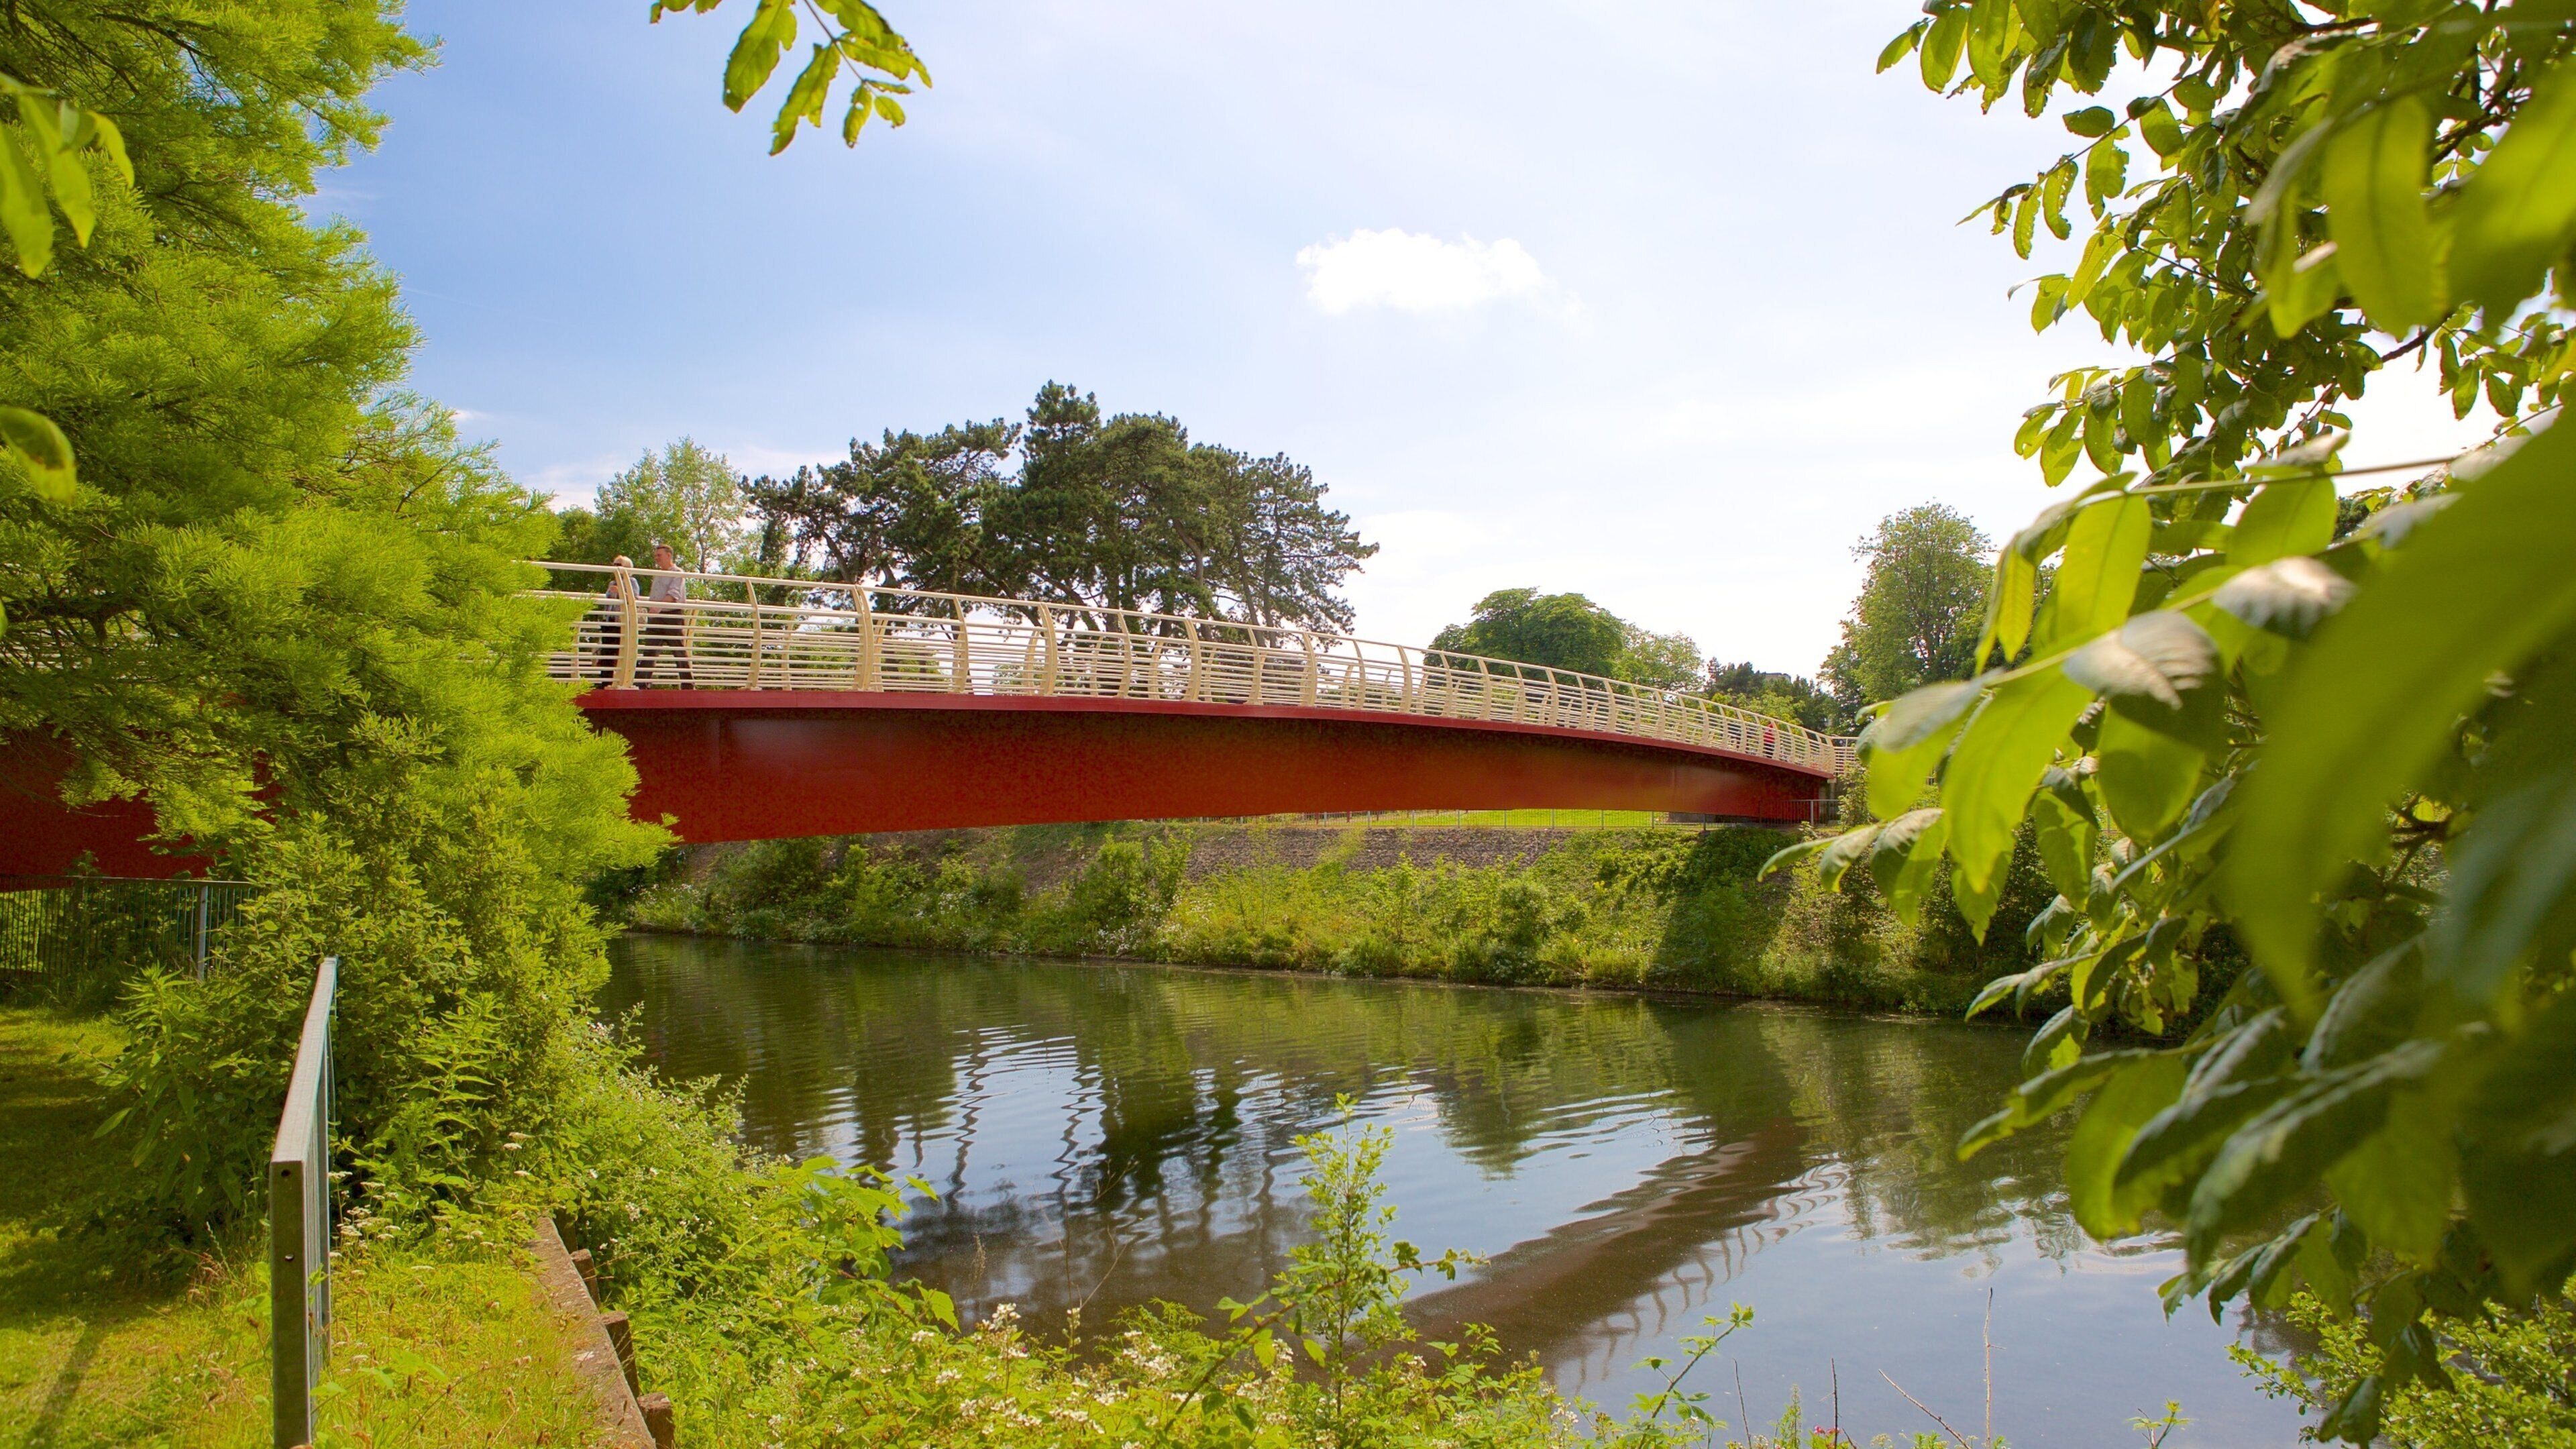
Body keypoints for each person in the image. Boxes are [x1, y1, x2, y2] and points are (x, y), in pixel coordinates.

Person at [635, 542, 696, 687]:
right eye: (655, 555)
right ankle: (642, 684)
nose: (656, 558)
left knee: (679, 650)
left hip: (672, 616)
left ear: (669, 556)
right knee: (650, 650)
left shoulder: (677, 572)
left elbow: (673, 594)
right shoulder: (659, 574)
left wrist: (658, 608)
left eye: (659, 555)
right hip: (656, 617)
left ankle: (688, 685)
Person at [591, 556, 636, 684]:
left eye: (618, 564)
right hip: (609, 621)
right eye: (614, 564)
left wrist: (622, 592)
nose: (615, 566)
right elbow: (608, 598)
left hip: (621, 622)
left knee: (618, 651)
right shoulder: (612, 583)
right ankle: (605, 681)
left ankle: (617, 681)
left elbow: (634, 599)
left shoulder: (631, 582)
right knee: (606, 651)